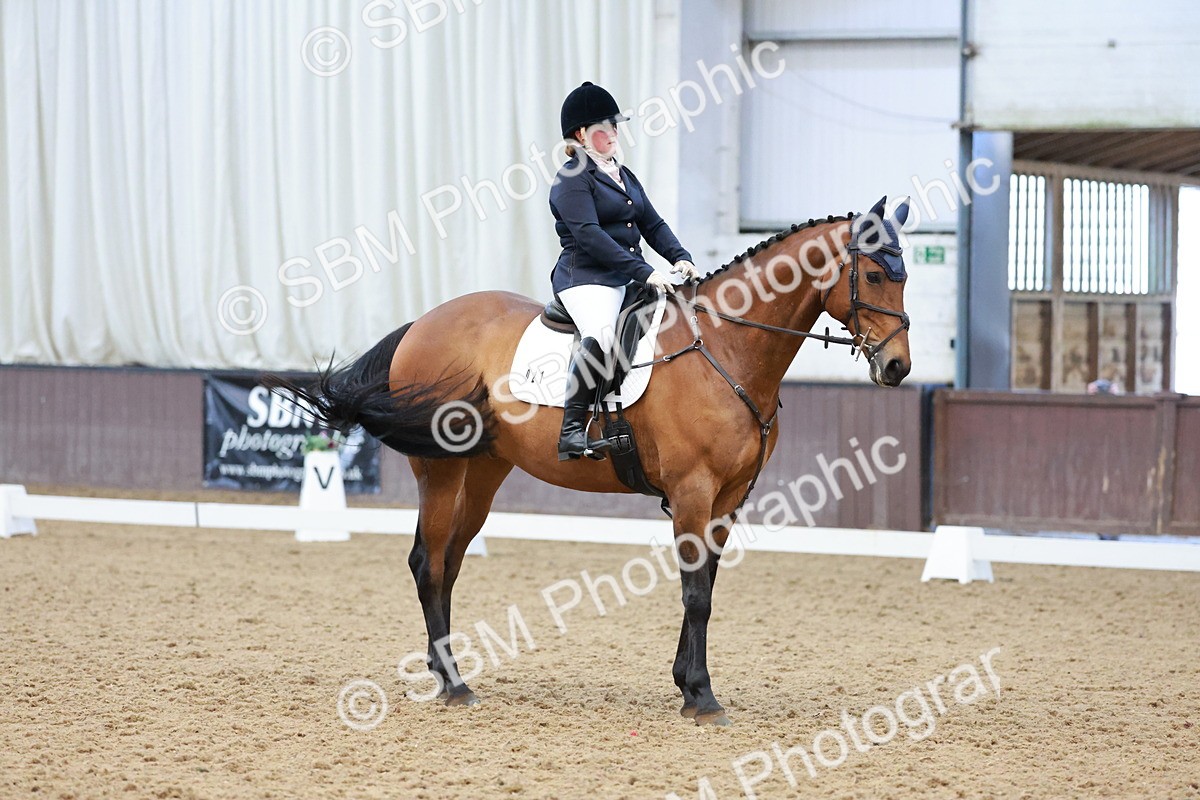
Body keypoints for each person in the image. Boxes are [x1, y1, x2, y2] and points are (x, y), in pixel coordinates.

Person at [548, 81, 698, 461]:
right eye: (604, 127)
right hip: (586, 279)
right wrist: (646, 272)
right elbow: (590, 236)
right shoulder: (571, 179)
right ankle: (571, 430)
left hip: (626, 276)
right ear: (581, 135)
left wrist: (680, 257)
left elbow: (653, 223)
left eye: (615, 126)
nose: (613, 133)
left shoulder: (623, 174)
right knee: (600, 335)